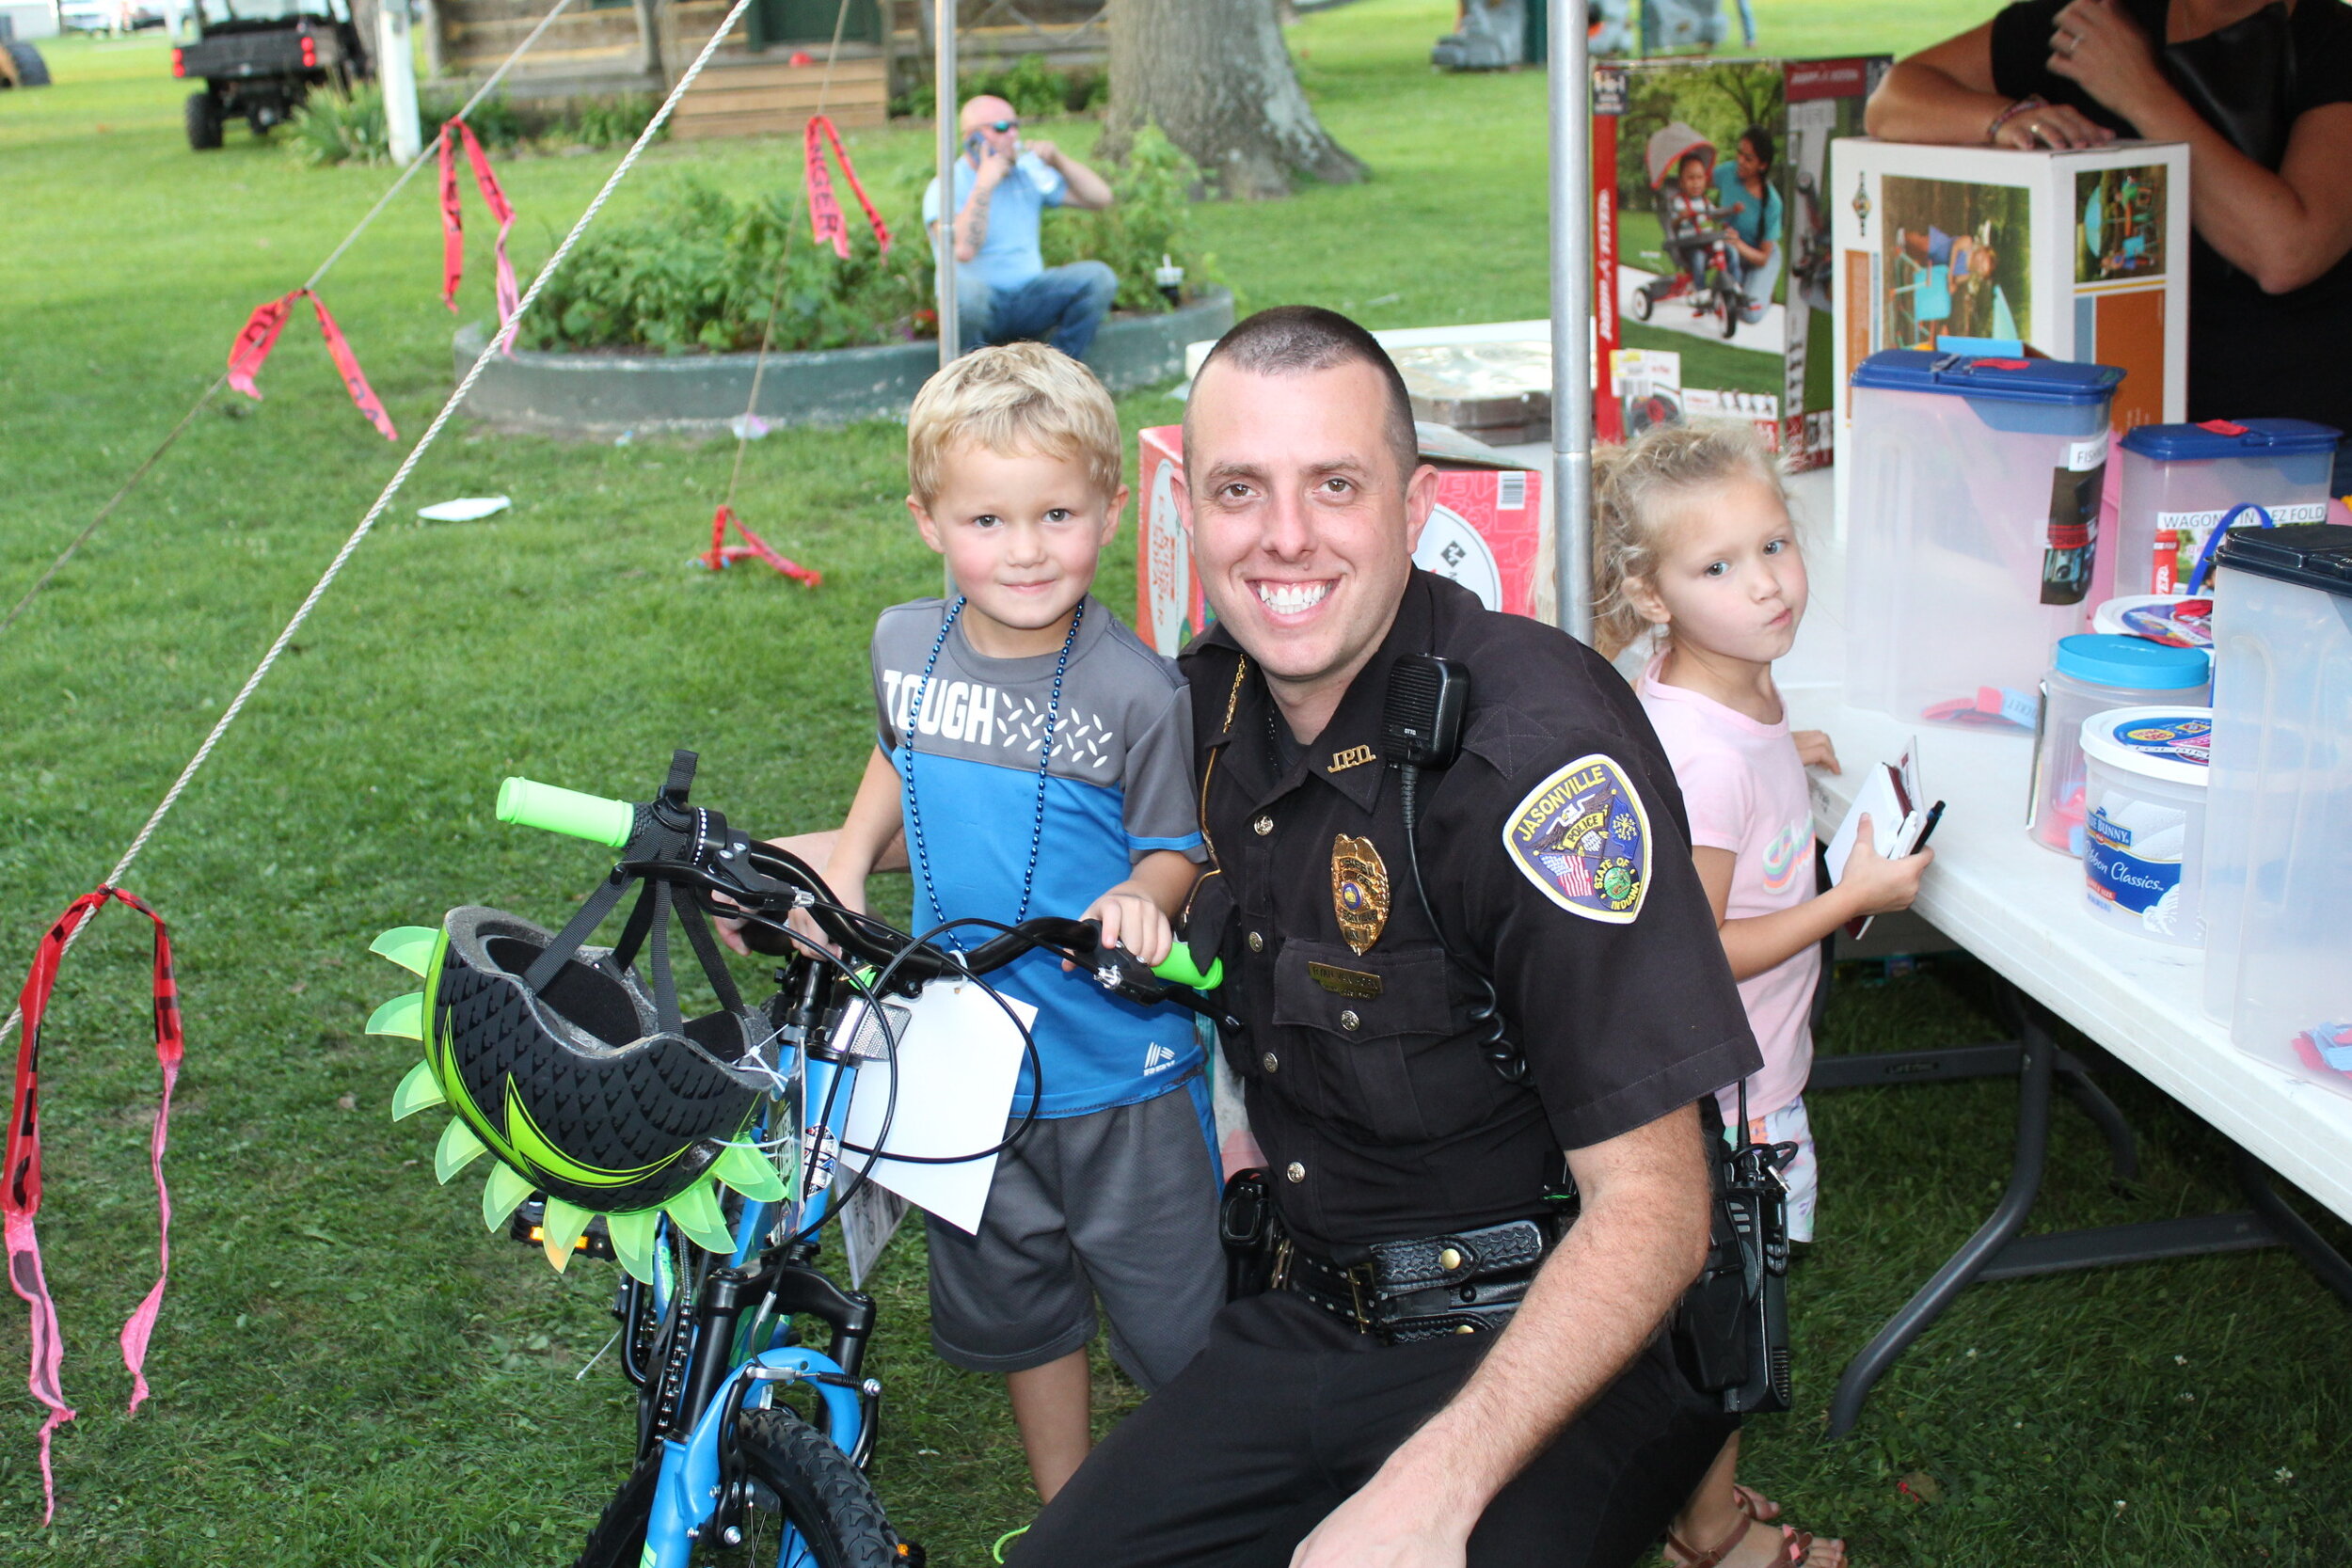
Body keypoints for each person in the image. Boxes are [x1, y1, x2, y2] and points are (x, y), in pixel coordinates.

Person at [1009, 306, 1762, 1567]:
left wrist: (1435, 1489)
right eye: (1242, 488)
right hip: (1314, 1314)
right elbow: (1039, 817)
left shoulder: (1535, 762)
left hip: (1567, 1333)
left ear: (1413, 506)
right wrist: (828, 865)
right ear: (1190, 507)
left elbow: (1656, 1210)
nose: (1284, 536)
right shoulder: (1211, 703)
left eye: (1335, 485)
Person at [730, 342, 1225, 1503]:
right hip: (964, 1064)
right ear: (927, 521)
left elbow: (1178, 846)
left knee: (1177, 1319)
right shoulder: (907, 644)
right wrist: (848, 862)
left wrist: (1141, 901)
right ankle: (1066, 1508)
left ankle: (1205, 1506)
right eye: (988, 519)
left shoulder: (1137, 691)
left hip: (1119, 1071)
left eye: (1056, 513)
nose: (1026, 548)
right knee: (1017, 1297)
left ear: (1108, 508)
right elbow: (899, 749)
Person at [1590, 423, 1938, 1568]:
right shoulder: (1709, 755)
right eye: (1719, 567)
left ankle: (1689, 1496)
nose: (1768, 584)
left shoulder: (1719, 691)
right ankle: (1706, 1531)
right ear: (1649, 592)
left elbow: (1734, 764)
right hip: (1730, 1106)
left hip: (1731, 1081)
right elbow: (1697, 948)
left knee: (1701, 1314)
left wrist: (1790, 744)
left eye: (1775, 544)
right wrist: (1855, 894)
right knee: (1725, 1322)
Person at [1864, 0, 2352, 493]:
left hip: (2290, 456)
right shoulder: (2088, 22)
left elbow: (2287, 252)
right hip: (2111, 451)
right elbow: (1892, 98)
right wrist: (2002, 118)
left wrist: (2140, 91)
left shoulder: (2331, 39)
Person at [922, 94, 1120, 361]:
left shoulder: (1026, 174)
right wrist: (985, 183)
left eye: (1016, 125)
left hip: (1029, 295)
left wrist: (1057, 161)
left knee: (1098, 278)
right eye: (1002, 128)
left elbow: (1100, 198)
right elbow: (964, 250)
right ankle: (975, 383)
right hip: (980, 304)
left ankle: (1058, 373)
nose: (1013, 134)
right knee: (967, 296)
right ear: (972, 138)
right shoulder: (947, 185)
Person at [1712, 126, 1784, 325]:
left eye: (1748, 158)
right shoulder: (1728, 172)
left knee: (1750, 314)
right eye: (1739, 153)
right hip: (1733, 252)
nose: (1740, 161)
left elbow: (1762, 258)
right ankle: (1741, 283)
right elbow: (1698, 180)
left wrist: (1738, 244)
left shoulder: (1772, 204)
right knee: (1725, 303)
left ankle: (1766, 294)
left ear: (1762, 166)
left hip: (1759, 256)